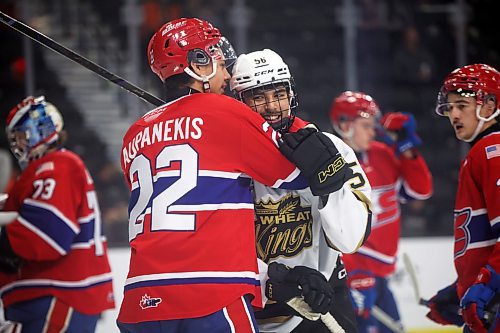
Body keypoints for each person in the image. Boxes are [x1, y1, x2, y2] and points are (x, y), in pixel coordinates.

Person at [117, 18, 350, 333]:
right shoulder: (225, 112)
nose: (227, 73)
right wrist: (307, 141)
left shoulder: (134, 134)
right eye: (216, 58)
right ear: (198, 64)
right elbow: (298, 177)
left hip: (140, 302)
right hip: (211, 295)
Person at [229, 49, 372, 333]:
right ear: (240, 102)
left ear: (291, 94)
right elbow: (217, 243)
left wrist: (330, 184)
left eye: (278, 94)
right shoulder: (225, 161)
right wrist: (272, 279)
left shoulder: (330, 147)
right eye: (259, 97)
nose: (272, 106)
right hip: (254, 307)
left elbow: (351, 239)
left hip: (323, 298)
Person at [0, 96, 115, 332]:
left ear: (38, 130)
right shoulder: (45, 170)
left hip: (57, 295)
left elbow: (46, 235)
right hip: (48, 298)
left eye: (21, 137)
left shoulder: (57, 165)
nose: (18, 146)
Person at [329, 91, 433, 333]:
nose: (372, 131)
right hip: (351, 274)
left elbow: (420, 190)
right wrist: (350, 272)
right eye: (365, 125)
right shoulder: (329, 161)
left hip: (380, 275)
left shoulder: (382, 154)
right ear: (344, 124)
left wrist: (406, 147)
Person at [426, 63, 500, 333]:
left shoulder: (492, 150)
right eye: (449, 107)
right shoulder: (482, 151)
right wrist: (459, 290)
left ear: (490, 106)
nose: (453, 114)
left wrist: (486, 286)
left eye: (462, 105)